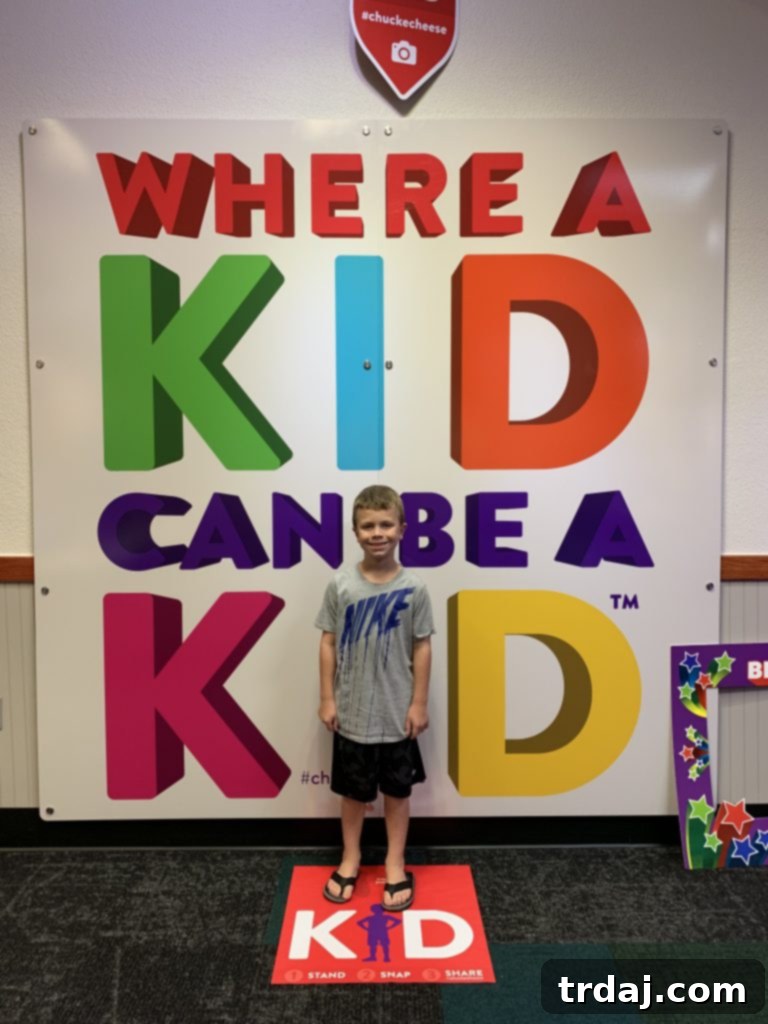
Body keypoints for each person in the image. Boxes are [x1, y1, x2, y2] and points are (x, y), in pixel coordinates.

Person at [315, 484, 434, 911]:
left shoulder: (416, 588)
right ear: (355, 531)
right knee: (353, 794)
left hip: (397, 713)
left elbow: (422, 646)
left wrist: (418, 703)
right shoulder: (341, 584)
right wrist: (328, 698)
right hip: (352, 712)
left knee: (397, 794)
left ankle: (395, 862)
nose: (377, 532)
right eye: (368, 525)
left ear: (401, 529)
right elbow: (328, 642)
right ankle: (351, 858)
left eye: (386, 524)